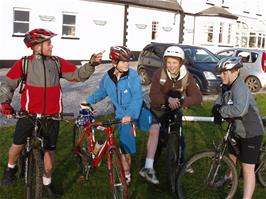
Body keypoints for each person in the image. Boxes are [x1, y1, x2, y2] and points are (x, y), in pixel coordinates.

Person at [0, 28, 102, 197]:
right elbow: (7, 84)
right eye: (48, 43)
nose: (51, 46)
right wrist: (5, 104)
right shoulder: (25, 63)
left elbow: (77, 75)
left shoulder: (56, 62)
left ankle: (47, 182)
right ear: (37, 46)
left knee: (50, 151)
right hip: (29, 114)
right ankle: (11, 168)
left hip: (52, 116)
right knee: (17, 145)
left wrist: (91, 64)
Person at [139, 46, 202, 184]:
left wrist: (182, 101)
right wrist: (168, 100)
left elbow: (197, 96)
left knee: (180, 137)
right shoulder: (158, 74)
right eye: (169, 62)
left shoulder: (187, 76)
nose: (171, 66)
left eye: (175, 62)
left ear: (180, 63)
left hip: (175, 109)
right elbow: (153, 95)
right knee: (159, 137)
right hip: (159, 109)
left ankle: (182, 161)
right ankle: (150, 166)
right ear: (165, 62)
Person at [85, 46, 143, 184]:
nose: (127, 64)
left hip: (128, 116)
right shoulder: (107, 77)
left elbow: (137, 98)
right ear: (114, 63)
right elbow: (102, 92)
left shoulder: (132, 75)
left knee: (125, 148)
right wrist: (87, 101)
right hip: (119, 115)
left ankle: (126, 175)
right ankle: (92, 159)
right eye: (123, 61)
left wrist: (129, 115)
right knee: (104, 137)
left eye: (127, 61)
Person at [212, 56, 264, 199]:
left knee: (248, 168)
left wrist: (221, 111)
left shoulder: (240, 87)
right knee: (232, 156)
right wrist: (216, 108)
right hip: (236, 129)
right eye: (220, 72)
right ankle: (229, 178)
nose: (221, 75)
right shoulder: (225, 86)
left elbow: (240, 110)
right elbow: (219, 101)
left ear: (235, 72)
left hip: (250, 131)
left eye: (224, 72)